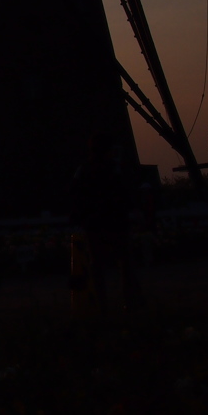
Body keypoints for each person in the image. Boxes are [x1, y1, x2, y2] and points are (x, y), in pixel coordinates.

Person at [70, 131, 142, 314]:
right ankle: (130, 304)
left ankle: (102, 306)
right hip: (116, 222)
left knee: (98, 265)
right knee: (125, 264)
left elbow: (76, 195)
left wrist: (82, 216)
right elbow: (125, 192)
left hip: (95, 224)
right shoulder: (116, 169)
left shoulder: (84, 170)